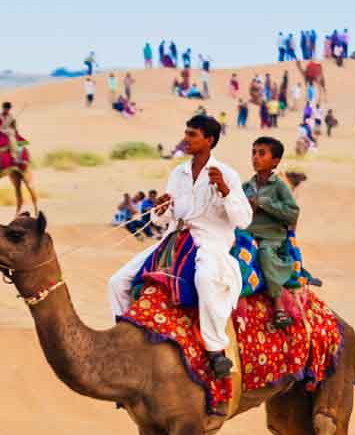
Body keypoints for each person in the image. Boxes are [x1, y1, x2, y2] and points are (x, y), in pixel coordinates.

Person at [107, 113, 251, 379]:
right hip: (175, 239)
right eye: (186, 133)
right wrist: (160, 210)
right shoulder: (179, 173)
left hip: (210, 242)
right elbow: (165, 217)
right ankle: (124, 339)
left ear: (209, 140)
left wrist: (226, 192)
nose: (185, 139)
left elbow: (243, 219)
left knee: (206, 279)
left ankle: (216, 349)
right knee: (117, 282)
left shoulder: (228, 174)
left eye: (192, 135)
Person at [243, 136, 303, 328]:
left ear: (275, 161)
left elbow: (292, 214)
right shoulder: (246, 187)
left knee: (265, 255)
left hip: (271, 239)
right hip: (246, 236)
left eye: (262, 153)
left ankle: (278, 306)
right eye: (254, 153)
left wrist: (263, 204)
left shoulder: (279, 187)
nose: (256, 157)